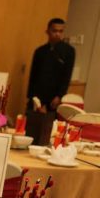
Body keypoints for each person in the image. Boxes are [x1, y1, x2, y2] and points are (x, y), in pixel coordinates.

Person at [25, 17, 76, 145]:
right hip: (37, 97)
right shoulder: (40, 51)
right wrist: (33, 97)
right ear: (48, 31)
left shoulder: (69, 51)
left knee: (49, 131)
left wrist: (59, 95)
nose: (57, 34)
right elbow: (33, 76)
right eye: (54, 31)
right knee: (31, 128)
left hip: (54, 98)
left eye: (60, 31)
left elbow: (67, 76)